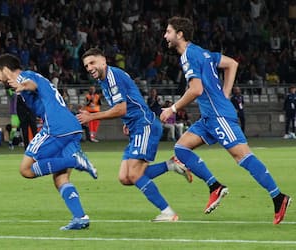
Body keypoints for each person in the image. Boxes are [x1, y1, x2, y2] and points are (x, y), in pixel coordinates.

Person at [161, 16, 291, 224]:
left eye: (168, 31)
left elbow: (196, 89)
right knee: (181, 149)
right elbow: (232, 64)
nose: (165, 35)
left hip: (218, 116)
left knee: (243, 157)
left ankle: (278, 197)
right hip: (209, 117)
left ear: (180, 34)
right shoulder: (203, 53)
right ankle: (215, 186)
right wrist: (225, 94)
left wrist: (173, 108)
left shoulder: (188, 56)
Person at [78, 48, 192, 222]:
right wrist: (126, 122)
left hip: (144, 124)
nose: (89, 68)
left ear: (103, 61)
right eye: (86, 65)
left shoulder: (112, 77)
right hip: (136, 125)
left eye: (92, 63)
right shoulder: (105, 80)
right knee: (125, 178)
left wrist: (91, 116)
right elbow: (130, 101)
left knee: (134, 174)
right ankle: (170, 165)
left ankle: (168, 212)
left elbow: (121, 108)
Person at [0, 53, 98, 230]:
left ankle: (76, 160)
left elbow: (30, 85)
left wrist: (21, 86)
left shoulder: (24, 77)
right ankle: (80, 217)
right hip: (70, 126)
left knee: (25, 169)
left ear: (5, 70)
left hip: (56, 127)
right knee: (61, 178)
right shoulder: (31, 76)